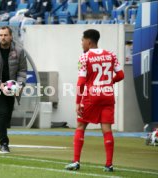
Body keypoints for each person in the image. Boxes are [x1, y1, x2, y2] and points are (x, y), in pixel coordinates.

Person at [65, 29, 124, 172]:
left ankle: (76, 162)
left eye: (82, 40)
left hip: (92, 96)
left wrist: (78, 102)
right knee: (107, 129)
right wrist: (109, 82)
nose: (81, 43)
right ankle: (109, 164)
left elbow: (81, 82)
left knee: (80, 126)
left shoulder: (84, 57)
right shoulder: (111, 55)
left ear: (89, 41)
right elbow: (121, 75)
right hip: (108, 95)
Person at [0, 26, 27, 154]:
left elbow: (22, 71)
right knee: (2, 113)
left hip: (12, 88)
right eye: (1, 35)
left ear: (11, 36)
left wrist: (19, 85)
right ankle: (4, 144)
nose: (3, 37)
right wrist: (0, 84)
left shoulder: (19, 51)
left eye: (5, 35)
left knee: (6, 119)